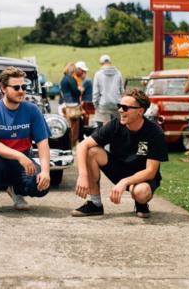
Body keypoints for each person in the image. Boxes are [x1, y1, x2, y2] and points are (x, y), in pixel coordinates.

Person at [71, 88, 168, 218]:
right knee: (91, 151)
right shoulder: (115, 125)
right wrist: (82, 175)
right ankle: (95, 204)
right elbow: (82, 145)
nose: (120, 110)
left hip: (141, 177)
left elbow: (150, 172)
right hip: (119, 169)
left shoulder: (155, 133)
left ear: (140, 111)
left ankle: (141, 203)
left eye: (125, 107)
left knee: (141, 193)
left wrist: (124, 182)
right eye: (120, 106)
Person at [0, 66, 51, 215]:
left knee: (41, 187)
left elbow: (43, 143)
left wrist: (45, 171)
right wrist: (19, 156)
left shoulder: (32, 110)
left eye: (24, 87)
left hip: (22, 162)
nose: (21, 91)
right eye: (16, 87)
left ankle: (16, 191)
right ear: (3, 88)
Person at [92, 54, 124, 128]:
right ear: (110, 62)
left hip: (103, 105)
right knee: (117, 128)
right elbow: (122, 90)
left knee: (105, 130)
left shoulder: (98, 74)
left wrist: (96, 106)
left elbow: (95, 93)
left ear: (101, 63)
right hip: (117, 104)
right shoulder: (118, 73)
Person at [60, 62, 82, 148]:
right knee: (74, 127)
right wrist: (80, 90)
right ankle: (72, 145)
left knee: (67, 125)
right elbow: (75, 91)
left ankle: (66, 144)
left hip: (64, 103)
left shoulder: (63, 79)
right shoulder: (71, 79)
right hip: (72, 105)